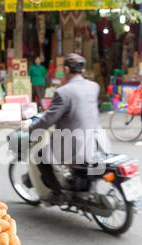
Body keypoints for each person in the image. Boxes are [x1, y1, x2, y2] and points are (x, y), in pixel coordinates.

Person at [29, 53, 109, 202]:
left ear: (66, 69)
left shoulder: (63, 92)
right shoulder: (94, 87)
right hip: (97, 140)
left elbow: (48, 120)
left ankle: (58, 193)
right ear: (82, 70)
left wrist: (31, 129)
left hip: (75, 145)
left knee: (39, 155)